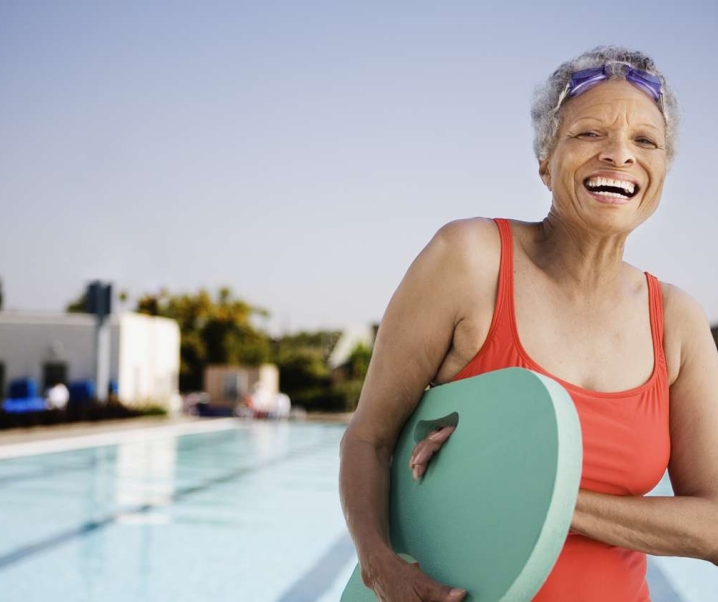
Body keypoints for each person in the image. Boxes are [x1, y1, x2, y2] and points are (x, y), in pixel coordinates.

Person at [339, 46, 718, 602]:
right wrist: (380, 569)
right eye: (590, 134)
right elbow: (368, 438)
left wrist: (535, 494)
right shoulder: (469, 260)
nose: (620, 155)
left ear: (662, 171)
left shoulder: (677, 322)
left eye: (645, 141)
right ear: (545, 159)